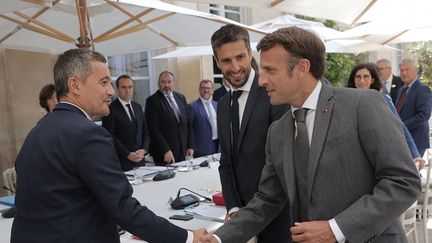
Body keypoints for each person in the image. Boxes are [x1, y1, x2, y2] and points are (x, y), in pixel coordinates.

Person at [201, 27, 421, 243]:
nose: (261, 80)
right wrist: (219, 238)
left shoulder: (363, 105)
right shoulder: (277, 132)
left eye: (270, 70)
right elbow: (267, 200)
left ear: (301, 68)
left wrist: (335, 229)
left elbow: (404, 182)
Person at [11, 48, 205, 243]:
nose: (112, 91)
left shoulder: (37, 130)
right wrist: (186, 237)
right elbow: (123, 208)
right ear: (75, 85)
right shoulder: (89, 134)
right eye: (104, 82)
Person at [210, 24, 291, 243]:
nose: (235, 66)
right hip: (241, 218)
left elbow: (282, 163)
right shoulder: (224, 104)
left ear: (250, 54)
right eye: (226, 61)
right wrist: (234, 208)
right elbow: (226, 162)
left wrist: (252, 215)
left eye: (240, 57)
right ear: (217, 62)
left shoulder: (273, 92)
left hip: (279, 217)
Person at [347, 62, 425, 169]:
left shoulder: (383, 99)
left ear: (372, 79)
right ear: (353, 79)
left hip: (378, 155)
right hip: (353, 157)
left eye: (366, 77)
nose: (361, 81)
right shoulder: (346, 101)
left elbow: (400, 127)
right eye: (358, 77)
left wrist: (415, 154)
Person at [145, 71, 194, 165]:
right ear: (158, 83)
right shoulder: (152, 101)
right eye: (163, 82)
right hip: (164, 154)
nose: (166, 85)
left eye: (169, 82)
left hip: (182, 151)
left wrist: (190, 145)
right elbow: (153, 129)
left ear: (173, 83)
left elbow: (188, 123)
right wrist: (165, 150)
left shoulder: (181, 98)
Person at [102, 74, 150, 171]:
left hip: (140, 161)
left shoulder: (138, 107)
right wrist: (127, 154)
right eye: (124, 87)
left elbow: (145, 131)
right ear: (117, 89)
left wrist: (144, 150)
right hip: (121, 162)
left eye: (130, 87)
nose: (127, 91)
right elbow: (110, 136)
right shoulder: (110, 109)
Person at [396, 58, 432, 157]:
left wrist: (402, 126)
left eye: (407, 70)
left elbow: (424, 115)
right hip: (402, 139)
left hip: (416, 140)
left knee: (413, 170)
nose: (403, 73)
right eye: (401, 70)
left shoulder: (422, 89)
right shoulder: (400, 90)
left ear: (415, 70)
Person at [188, 79, 219, 157]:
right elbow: (190, 129)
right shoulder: (192, 106)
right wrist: (191, 146)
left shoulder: (217, 105)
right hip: (202, 148)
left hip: (218, 146)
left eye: (208, 88)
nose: (206, 90)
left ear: (213, 90)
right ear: (199, 90)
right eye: (203, 88)